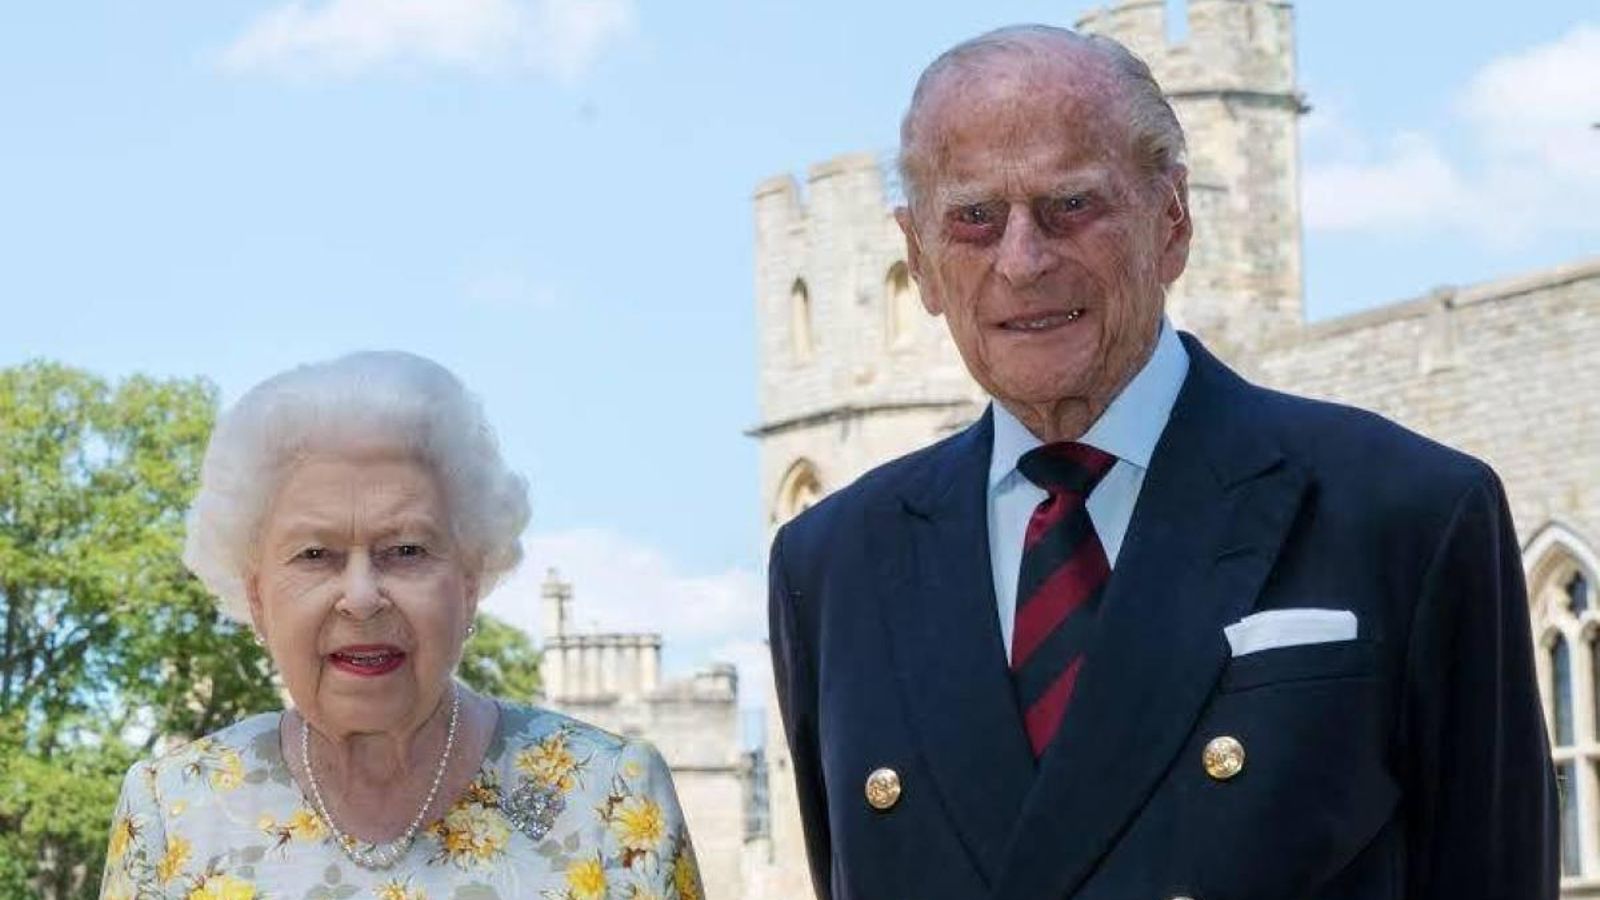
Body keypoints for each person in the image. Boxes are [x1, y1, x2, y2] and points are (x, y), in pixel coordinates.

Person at [767, 24, 1556, 900]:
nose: (1023, 262)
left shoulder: (1409, 514)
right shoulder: (832, 566)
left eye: (1071, 206)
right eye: (975, 219)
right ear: (917, 258)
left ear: (1171, 222)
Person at [100, 352, 703, 900]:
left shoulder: (610, 797)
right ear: (257, 596)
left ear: (469, 582)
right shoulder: (172, 809)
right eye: (315, 555)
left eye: (407, 550)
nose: (361, 598)